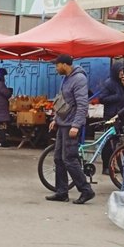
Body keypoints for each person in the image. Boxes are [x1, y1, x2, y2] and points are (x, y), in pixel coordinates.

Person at [46, 54, 94, 205]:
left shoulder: (79, 79)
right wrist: (55, 119)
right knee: (58, 158)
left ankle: (86, 190)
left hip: (71, 125)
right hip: (62, 123)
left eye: (57, 65)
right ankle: (61, 192)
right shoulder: (65, 79)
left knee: (70, 159)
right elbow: (62, 102)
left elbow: (82, 104)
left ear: (64, 65)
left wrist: (76, 125)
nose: (56, 68)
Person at [99, 62, 124, 173]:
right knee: (108, 143)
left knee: (116, 142)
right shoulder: (109, 83)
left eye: (122, 71)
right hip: (110, 116)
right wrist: (117, 97)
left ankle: (112, 166)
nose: (122, 74)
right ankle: (106, 166)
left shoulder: (120, 83)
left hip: (119, 116)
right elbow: (102, 98)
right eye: (120, 71)